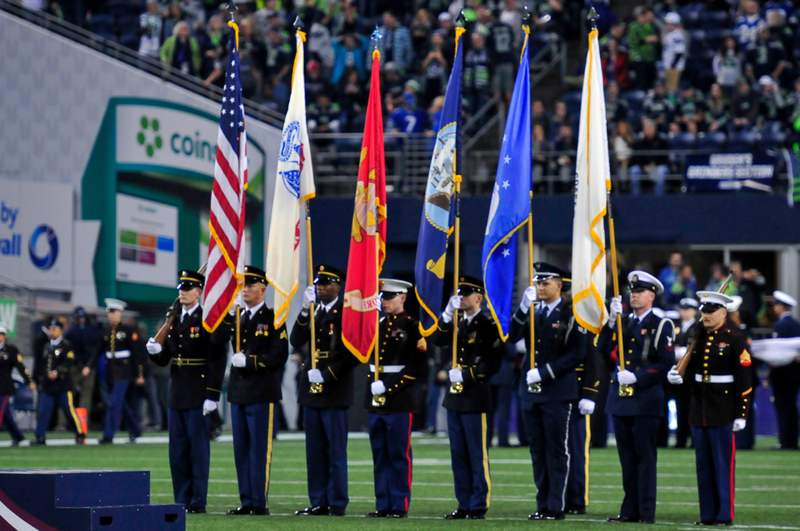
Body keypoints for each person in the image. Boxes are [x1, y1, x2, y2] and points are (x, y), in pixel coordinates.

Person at [508, 263, 587, 521]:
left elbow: (577, 354)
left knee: (556, 450)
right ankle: (542, 504)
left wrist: (545, 372)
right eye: (538, 283)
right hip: (531, 392)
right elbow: (511, 336)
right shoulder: (531, 310)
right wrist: (521, 307)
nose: (541, 287)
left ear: (559, 286)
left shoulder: (572, 313)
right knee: (537, 450)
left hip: (557, 391)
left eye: (546, 283)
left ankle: (555, 505)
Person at [145, 270, 228, 514]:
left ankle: (198, 500)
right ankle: (182, 498)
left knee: (198, 451)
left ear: (200, 292)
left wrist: (212, 394)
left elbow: (217, 358)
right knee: (178, 451)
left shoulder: (206, 320)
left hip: (199, 391)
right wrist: (155, 352)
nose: (183, 291)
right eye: (181, 287)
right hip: (178, 391)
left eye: (189, 287)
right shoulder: (175, 320)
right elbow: (166, 358)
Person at [667, 291, 753, 526]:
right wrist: (677, 377)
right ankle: (707, 515)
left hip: (723, 409)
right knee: (703, 467)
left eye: (711, 311)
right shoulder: (697, 336)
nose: (706, 315)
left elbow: (745, 379)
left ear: (723, 313)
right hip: (699, 408)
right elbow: (690, 367)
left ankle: (724, 515)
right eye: (703, 311)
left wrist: (742, 413)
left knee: (723, 466)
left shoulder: (735, 338)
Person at [598, 271, 675, 524]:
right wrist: (610, 322)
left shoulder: (661, 324)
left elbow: (664, 362)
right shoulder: (622, 322)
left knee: (644, 458)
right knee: (627, 460)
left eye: (640, 291)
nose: (634, 296)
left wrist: (638, 377)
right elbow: (602, 349)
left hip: (644, 399)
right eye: (633, 291)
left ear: (651, 296)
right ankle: (629, 510)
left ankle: (645, 511)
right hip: (620, 398)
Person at [216, 266, 288, 515]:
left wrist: (251, 361)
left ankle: (259, 502)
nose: (244, 289)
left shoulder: (273, 317)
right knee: (241, 451)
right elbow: (216, 339)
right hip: (238, 392)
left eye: (249, 285)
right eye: (242, 285)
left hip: (261, 391)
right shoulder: (238, 316)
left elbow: (280, 354)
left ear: (263, 289)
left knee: (259, 450)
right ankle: (246, 500)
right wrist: (227, 313)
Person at [292, 264, 357, 517]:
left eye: (326, 283)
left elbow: (354, 352)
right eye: (318, 283)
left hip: (334, 390)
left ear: (338, 287)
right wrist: (304, 312)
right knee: (315, 452)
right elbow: (296, 340)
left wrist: (329, 374)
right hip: (311, 390)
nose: (320, 287)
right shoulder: (313, 311)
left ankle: (337, 502)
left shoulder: (345, 313)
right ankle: (318, 500)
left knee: (335, 452)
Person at [435, 276, 503, 520]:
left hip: (475, 396)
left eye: (466, 294)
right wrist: (445, 314)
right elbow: (438, 340)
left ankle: (477, 503)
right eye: (459, 294)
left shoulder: (488, 324)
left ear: (479, 298)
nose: (461, 298)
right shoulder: (455, 322)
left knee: (476, 453)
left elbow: (493, 362)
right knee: (459, 455)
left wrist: (466, 375)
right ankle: (463, 503)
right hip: (455, 399)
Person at [364, 279, 427, 518]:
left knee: (399, 454)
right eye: (383, 297)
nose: (385, 301)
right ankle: (383, 503)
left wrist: (389, 388)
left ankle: (399, 505)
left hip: (399, 399)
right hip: (375, 398)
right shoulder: (377, 324)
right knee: (380, 454)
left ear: (403, 298)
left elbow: (417, 366)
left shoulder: (412, 326)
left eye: (390, 297)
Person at [84, 299, 143, 444]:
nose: (111, 315)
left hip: (124, 371)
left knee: (114, 403)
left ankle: (108, 435)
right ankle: (135, 429)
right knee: (119, 403)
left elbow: (136, 354)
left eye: (114, 312)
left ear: (120, 313)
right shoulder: (105, 331)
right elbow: (98, 351)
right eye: (109, 312)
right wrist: (89, 366)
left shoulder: (128, 331)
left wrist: (139, 374)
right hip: (111, 371)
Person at [32, 319, 86, 445]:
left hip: (62, 385)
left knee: (69, 411)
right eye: (50, 328)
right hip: (48, 385)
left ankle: (79, 433)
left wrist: (57, 372)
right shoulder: (47, 346)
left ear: (61, 331)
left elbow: (69, 361)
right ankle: (40, 436)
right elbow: (43, 364)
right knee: (43, 410)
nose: (51, 331)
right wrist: (44, 376)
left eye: (54, 329)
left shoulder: (66, 345)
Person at [768, 290, 800, 450]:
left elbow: (777, 352)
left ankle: (786, 441)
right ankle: (790, 440)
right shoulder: (794, 325)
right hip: (793, 375)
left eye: (776, 304)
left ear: (781, 306)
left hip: (783, 375)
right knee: (790, 408)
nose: (774, 308)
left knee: (783, 408)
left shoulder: (783, 325)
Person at [0, 323, 34, 446]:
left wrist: (29, 381)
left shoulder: (11, 350)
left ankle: (17, 436)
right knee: (5, 414)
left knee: (0, 410)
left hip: (4, 387)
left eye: (2, 334)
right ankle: (18, 436)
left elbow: (20, 367)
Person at [673, 297, 699, 448]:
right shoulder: (676, 325)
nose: (684, 312)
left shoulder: (697, 327)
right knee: (680, 406)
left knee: (691, 406)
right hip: (678, 372)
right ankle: (680, 439)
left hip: (691, 372)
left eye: (688, 309)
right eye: (682, 309)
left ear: (694, 311)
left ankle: (693, 439)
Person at [661, 13, 686, 93]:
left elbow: (679, 52)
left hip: (674, 67)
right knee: (668, 88)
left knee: (672, 89)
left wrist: (673, 66)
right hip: (669, 65)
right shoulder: (670, 34)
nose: (666, 25)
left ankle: (672, 104)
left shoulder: (677, 35)